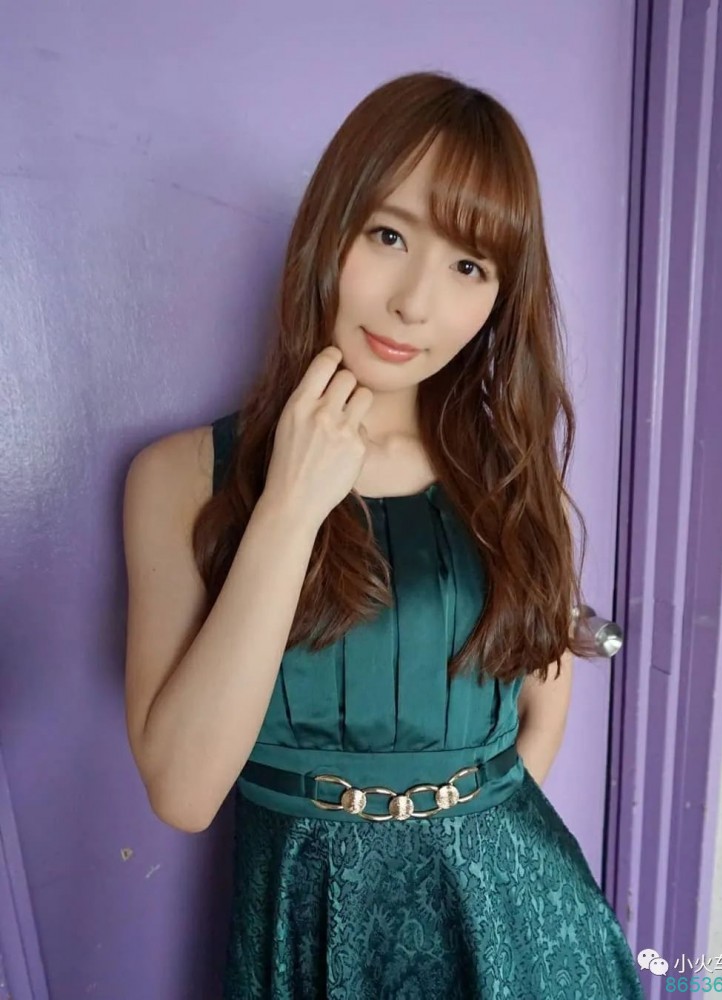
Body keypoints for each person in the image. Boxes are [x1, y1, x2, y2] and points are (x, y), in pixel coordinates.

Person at [122, 70, 644, 999]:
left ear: (499, 296)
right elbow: (183, 793)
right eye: (390, 235)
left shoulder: (508, 477)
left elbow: (541, 711)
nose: (414, 303)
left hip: (517, 930)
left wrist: (465, 860)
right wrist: (291, 505)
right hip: (308, 929)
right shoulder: (179, 478)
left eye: (468, 266)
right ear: (331, 229)